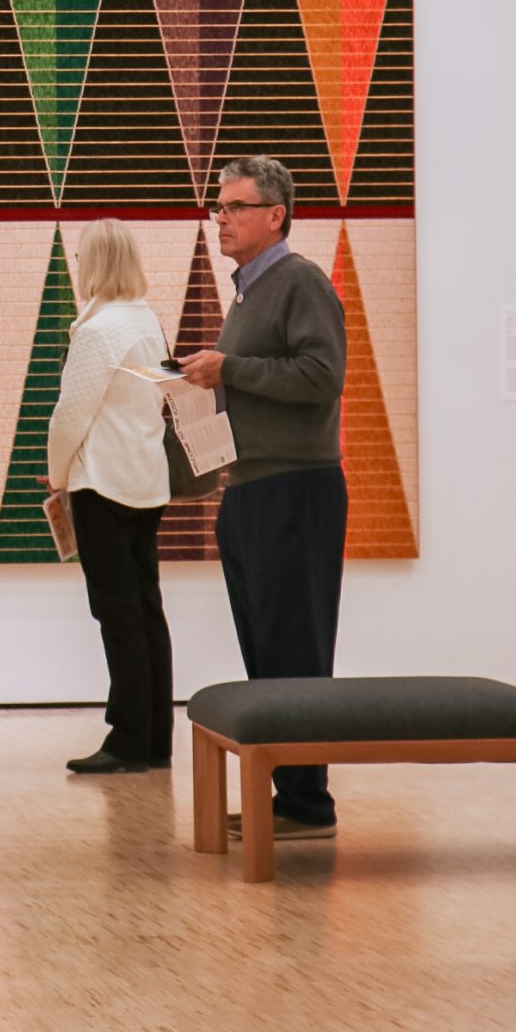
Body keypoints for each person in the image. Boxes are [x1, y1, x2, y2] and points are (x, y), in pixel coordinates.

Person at [178, 155, 347, 841]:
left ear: (274, 214)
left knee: (293, 648)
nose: (220, 217)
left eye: (233, 206)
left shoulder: (298, 280)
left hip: (292, 489)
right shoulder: (250, 292)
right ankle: (287, 794)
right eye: (217, 207)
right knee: (265, 648)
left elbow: (320, 375)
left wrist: (229, 368)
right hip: (250, 487)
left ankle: (308, 804)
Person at [46, 221, 174, 775]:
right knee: (146, 609)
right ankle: (155, 737)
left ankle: (126, 740)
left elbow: (70, 415)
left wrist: (54, 476)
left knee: (115, 612)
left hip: (101, 484)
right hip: (147, 481)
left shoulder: (98, 331)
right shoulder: (146, 319)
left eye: (79, 256)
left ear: (94, 261)